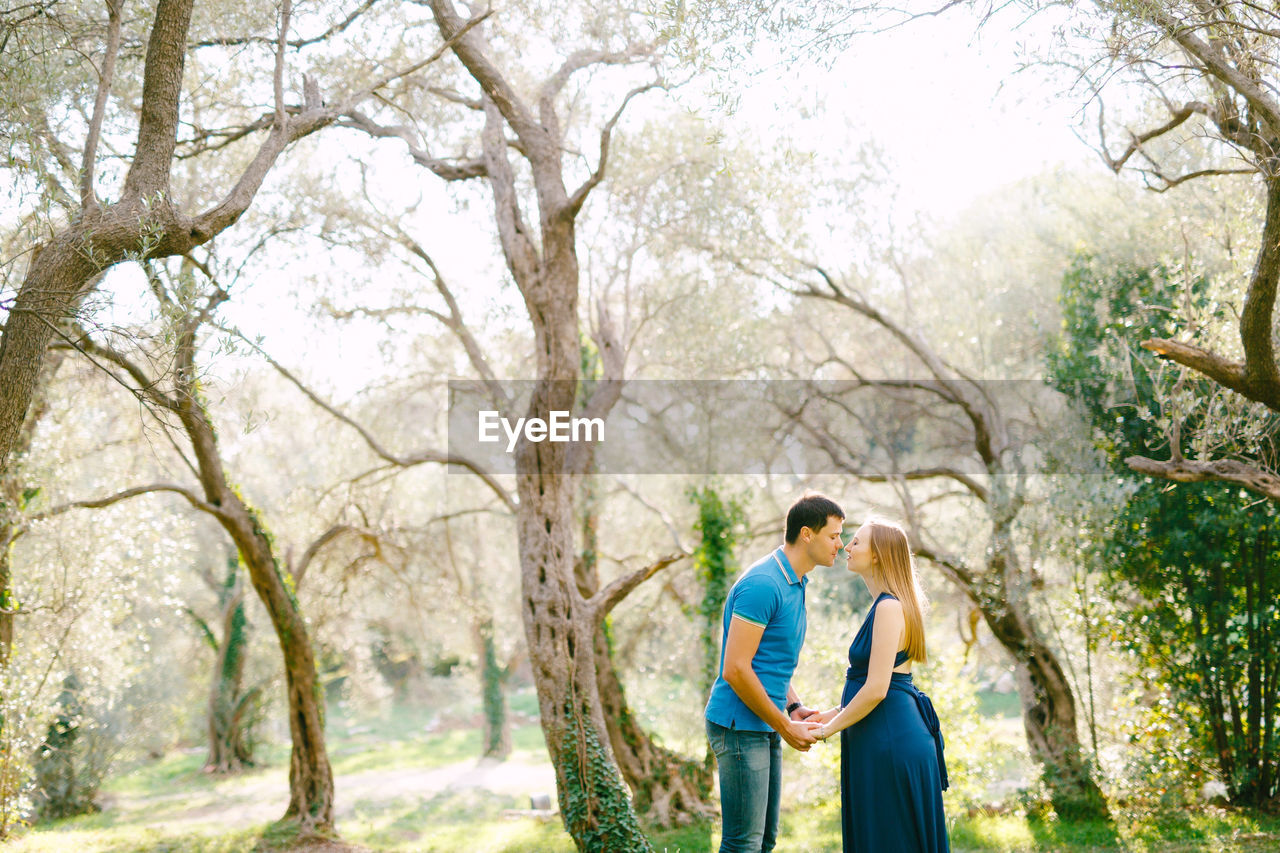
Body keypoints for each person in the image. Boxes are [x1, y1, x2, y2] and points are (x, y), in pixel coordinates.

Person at [704, 492, 846, 853]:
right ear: (807, 534)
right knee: (742, 844)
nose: (840, 545)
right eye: (833, 536)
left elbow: (768, 663)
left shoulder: (795, 582)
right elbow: (736, 668)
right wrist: (785, 726)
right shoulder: (763, 584)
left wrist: (794, 708)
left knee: (764, 842)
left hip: (764, 721)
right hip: (738, 725)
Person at [812, 517, 950, 853]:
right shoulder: (887, 604)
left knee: (890, 840)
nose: (847, 546)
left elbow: (877, 688)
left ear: (878, 555)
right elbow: (880, 682)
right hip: (885, 734)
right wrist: (832, 712)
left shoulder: (889, 606)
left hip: (890, 741)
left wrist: (826, 730)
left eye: (856, 541)